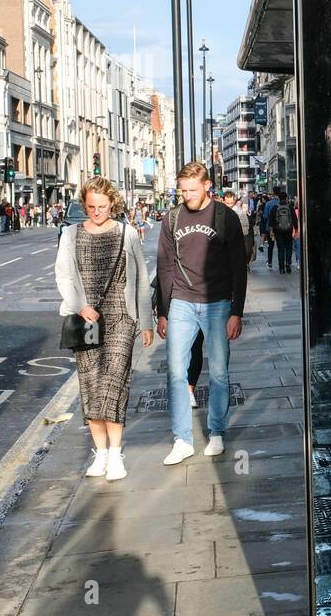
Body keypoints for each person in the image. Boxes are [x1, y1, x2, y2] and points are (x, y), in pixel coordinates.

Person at [55, 176, 154, 482]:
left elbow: (140, 280)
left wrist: (146, 321)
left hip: (121, 317)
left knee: (113, 381)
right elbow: (63, 276)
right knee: (91, 385)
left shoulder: (127, 234)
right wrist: (79, 305)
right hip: (86, 320)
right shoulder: (70, 234)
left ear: (112, 202)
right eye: (90, 206)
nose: (96, 212)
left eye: (101, 206)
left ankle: (115, 454)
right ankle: (100, 454)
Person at [155, 161, 249, 464]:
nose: (187, 195)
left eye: (192, 190)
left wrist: (237, 311)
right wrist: (162, 311)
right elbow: (165, 265)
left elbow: (239, 267)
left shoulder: (226, 217)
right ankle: (182, 439)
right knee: (175, 372)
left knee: (219, 372)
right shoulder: (172, 218)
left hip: (218, 302)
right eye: (183, 190)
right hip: (181, 302)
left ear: (207, 185)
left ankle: (217, 432)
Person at [223, 190, 254, 269]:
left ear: (234, 200)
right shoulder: (220, 210)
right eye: (227, 203)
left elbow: (245, 228)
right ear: (223, 200)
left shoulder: (240, 212)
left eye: (231, 203)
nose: (229, 205)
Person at [270, 189, 295, 274]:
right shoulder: (290, 208)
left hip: (278, 231)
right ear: (286, 198)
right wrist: (297, 230)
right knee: (289, 248)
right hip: (288, 230)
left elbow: (271, 221)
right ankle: (288, 263)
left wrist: (271, 231)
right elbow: (294, 220)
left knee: (280, 249)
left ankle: (281, 268)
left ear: (279, 198)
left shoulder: (275, 208)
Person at [261, 189, 281, 269]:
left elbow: (265, 216)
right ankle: (282, 263)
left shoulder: (268, 204)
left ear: (273, 194)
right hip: (280, 227)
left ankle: (269, 262)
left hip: (270, 228)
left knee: (271, 246)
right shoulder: (281, 203)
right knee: (281, 246)